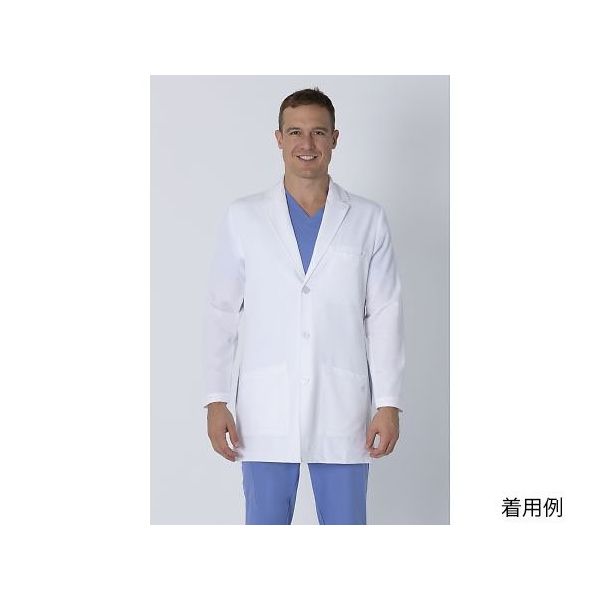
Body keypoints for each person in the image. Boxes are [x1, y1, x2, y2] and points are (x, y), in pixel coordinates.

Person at [203, 87, 405, 525]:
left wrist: (388, 403)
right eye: (295, 132)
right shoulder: (244, 217)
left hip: (343, 408)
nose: (307, 143)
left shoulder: (367, 219)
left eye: (318, 132)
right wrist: (216, 399)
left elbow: (384, 314)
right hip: (265, 409)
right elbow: (221, 312)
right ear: (279, 139)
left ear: (335, 138)